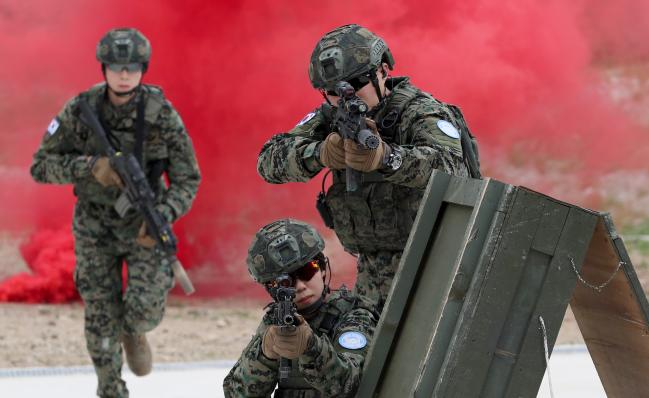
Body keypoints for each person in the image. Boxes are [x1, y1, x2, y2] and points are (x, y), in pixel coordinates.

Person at [257, 24, 478, 312]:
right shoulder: (330, 117)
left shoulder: (421, 111)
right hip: (373, 272)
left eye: (357, 83)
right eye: (332, 92)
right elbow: (268, 161)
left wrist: (387, 158)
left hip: (435, 264)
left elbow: (451, 168)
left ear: (383, 71)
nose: (345, 98)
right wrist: (320, 153)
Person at [30, 28, 201, 398]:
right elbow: (40, 166)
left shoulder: (161, 114)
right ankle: (110, 388)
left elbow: (188, 179)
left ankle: (134, 329)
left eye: (133, 67)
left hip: (145, 225)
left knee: (143, 310)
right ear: (103, 68)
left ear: (144, 69)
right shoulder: (81, 110)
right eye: (116, 66)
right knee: (100, 312)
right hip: (95, 226)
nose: (124, 74)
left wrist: (162, 213)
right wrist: (89, 166)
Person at [223, 219, 378, 398]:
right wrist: (265, 357)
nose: (300, 286)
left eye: (307, 271)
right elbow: (234, 394)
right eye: (286, 282)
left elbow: (351, 384)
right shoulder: (275, 321)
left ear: (322, 269)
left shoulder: (353, 314)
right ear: (272, 290)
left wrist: (311, 347)